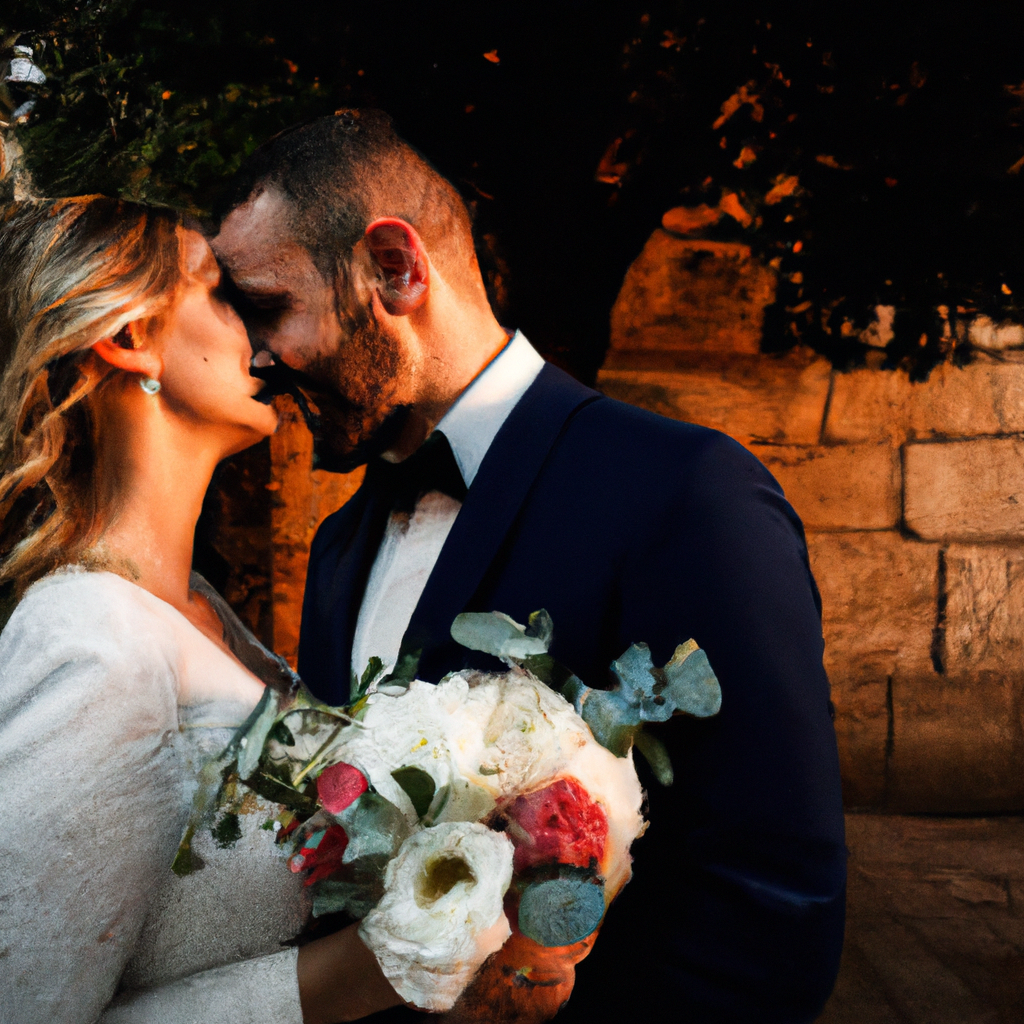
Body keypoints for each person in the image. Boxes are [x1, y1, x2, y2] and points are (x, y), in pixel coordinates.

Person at [213, 109, 848, 1023]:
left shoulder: (686, 491)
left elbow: (772, 908)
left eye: (271, 309)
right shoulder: (339, 547)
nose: (257, 360)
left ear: (395, 268)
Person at [0, 196, 407, 1024]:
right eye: (225, 295)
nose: (265, 336)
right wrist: (366, 975)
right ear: (129, 338)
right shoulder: (90, 637)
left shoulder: (202, 612)